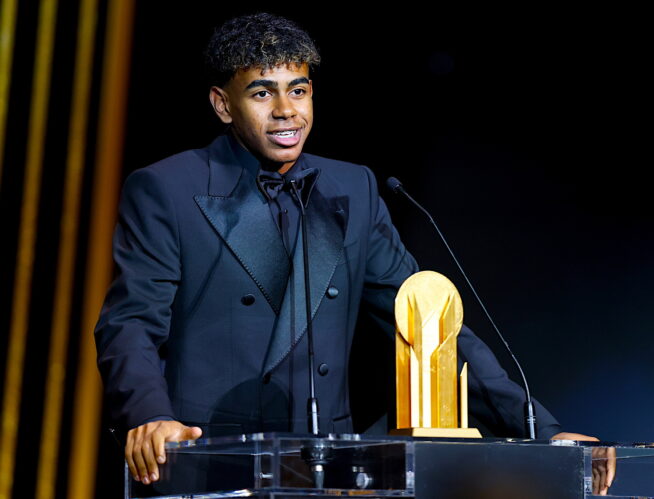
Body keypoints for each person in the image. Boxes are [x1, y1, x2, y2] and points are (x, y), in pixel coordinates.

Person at [94, 12, 615, 494]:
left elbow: (427, 330)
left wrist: (541, 430)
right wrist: (147, 416)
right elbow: (131, 323)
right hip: (209, 462)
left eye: (298, 90)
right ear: (222, 104)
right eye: (262, 93)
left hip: (325, 472)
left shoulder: (353, 189)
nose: (285, 111)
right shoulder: (168, 187)